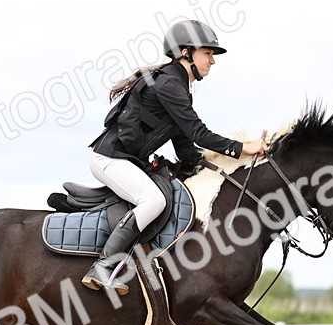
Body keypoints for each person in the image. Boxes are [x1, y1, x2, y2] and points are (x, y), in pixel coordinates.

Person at [83, 19, 268, 295]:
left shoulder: (177, 85)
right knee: (153, 200)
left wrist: (212, 167)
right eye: (208, 53)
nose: (212, 61)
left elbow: (185, 148)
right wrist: (242, 149)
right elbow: (198, 133)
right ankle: (104, 265)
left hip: (127, 161)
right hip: (109, 160)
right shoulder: (169, 84)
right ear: (186, 53)